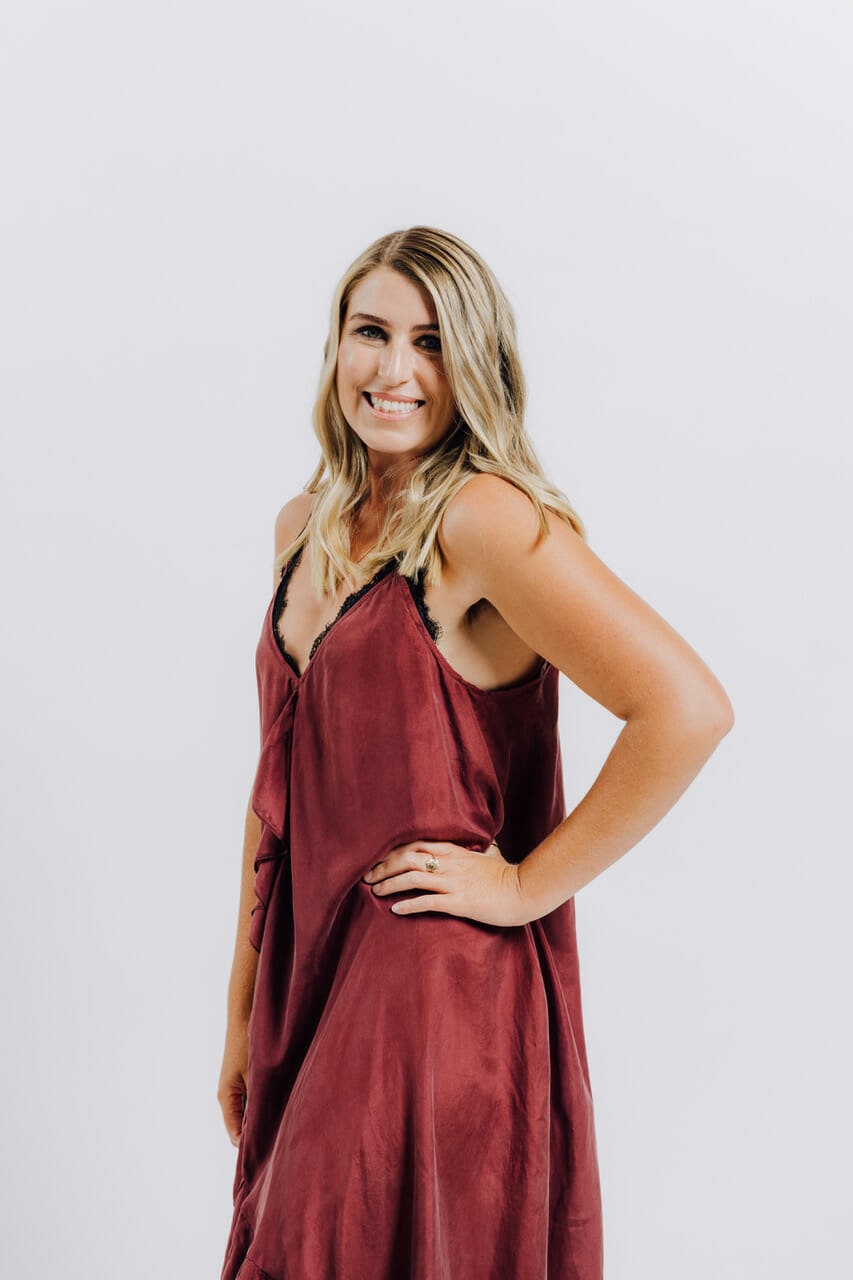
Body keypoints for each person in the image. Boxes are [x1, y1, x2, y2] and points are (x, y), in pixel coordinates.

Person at [217, 226, 734, 1280]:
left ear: (474, 365)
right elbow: (277, 793)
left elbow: (685, 708)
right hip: (306, 979)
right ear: (336, 346)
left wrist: (521, 887)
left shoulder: (482, 520)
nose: (394, 368)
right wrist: (240, 1004)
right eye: (371, 330)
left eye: (431, 340)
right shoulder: (301, 526)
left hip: (432, 985)